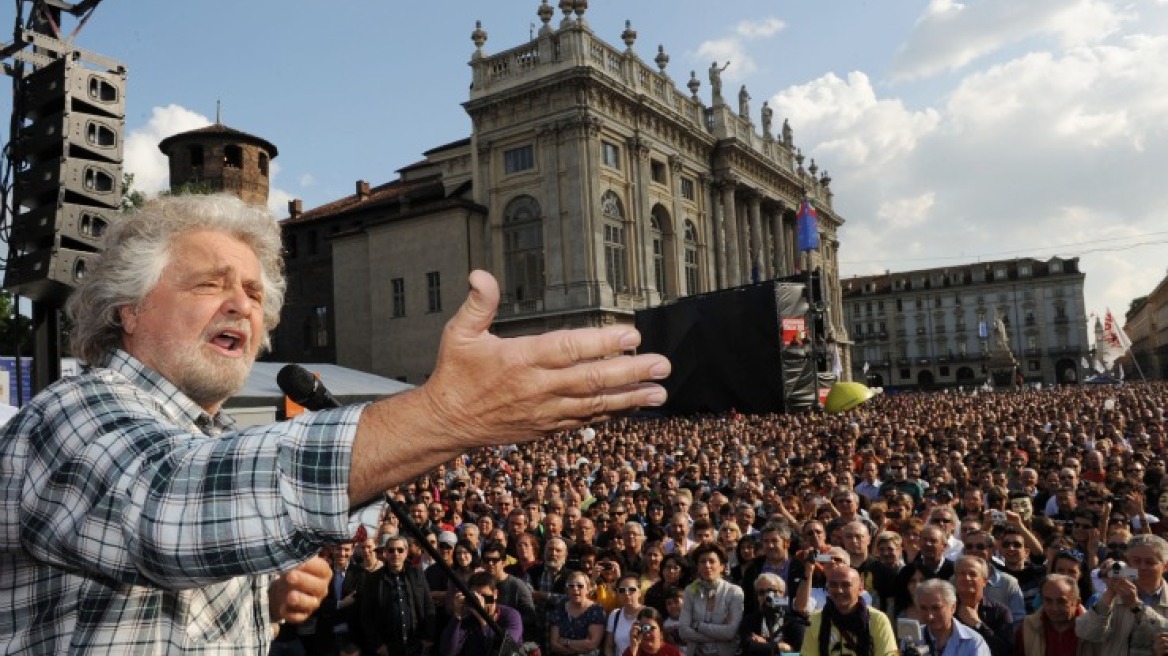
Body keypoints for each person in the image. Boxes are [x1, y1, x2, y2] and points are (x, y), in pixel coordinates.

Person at [0, 193, 670, 652]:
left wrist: (258, 604)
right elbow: (163, 505)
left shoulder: (219, 445)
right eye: (209, 284)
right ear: (129, 308)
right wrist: (445, 415)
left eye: (256, 293)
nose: (242, 304)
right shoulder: (68, 413)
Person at [1075, 534, 1168, 655]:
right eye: (1136, 561)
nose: (1142, 567)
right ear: (1128, 562)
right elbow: (1086, 633)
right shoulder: (1114, 595)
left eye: (1150, 562)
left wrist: (1136, 606)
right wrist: (1110, 592)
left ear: (1165, 566)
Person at [359, 534, 437, 656]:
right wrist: (378, 644)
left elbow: (428, 606)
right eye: (391, 550)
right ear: (385, 553)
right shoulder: (373, 579)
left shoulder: (417, 574)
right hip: (388, 647)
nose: (396, 554)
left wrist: (428, 637)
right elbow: (366, 615)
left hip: (416, 644)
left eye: (400, 550)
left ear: (406, 553)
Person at [799, 567, 897, 656]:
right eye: (833, 585)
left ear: (860, 588)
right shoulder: (816, 619)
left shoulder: (878, 620)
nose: (839, 590)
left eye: (846, 585)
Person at [678, 544, 744, 656]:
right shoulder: (690, 590)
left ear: (722, 566)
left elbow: (730, 633)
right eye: (702, 562)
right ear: (698, 566)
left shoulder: (734, 592)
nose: (707, 565)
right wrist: (718, 635)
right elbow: (683, 631)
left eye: (712, 561)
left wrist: (698, 626)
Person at [439, 571, 524, 656]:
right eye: (476, 598)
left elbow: (505, 648)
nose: (481, 601)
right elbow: (448, 651)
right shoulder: (468, 618)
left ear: (495, 594)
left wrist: (483, 620)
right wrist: (457, 615)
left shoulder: (511, 615)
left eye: (485, 597)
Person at [1014, 574, 1098, 656]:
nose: (1054, 608)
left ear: (1077, 602)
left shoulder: (1095, 630)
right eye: (1048, 601)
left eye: (1062, 602)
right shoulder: (1028, 627)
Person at [916, 579, 991, 656]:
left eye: (936, 608)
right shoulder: (912, 640)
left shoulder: (973, 642)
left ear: (953, 607)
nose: (930, 616)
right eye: (923, 608)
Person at [739, 572, 807, 656]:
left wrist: (765, 643)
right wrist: (781, 647)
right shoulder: (749, 621)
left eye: (771, 591)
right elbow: (748, 648)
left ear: (782, 593)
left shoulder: (794, 622)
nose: (766, 596)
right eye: (761, 592)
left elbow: (799, 653)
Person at [550, 570, 606, 656]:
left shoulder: (596, 610)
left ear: (588, 589)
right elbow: (554, 644)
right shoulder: (560, 608)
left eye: (580, 586)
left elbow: (592, 644)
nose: (575, 589)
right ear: (567, 590)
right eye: (571, 586)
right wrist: (579, 648)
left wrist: (566, 641)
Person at [605, 574, 646, 656]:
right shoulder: (614, 615)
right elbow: (608, 646)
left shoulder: (649, 613)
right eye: (622, 590)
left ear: (639, 592)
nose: (627, 593)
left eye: (631, 589)